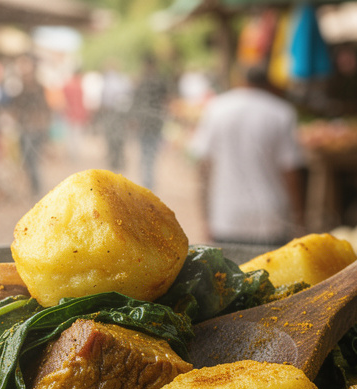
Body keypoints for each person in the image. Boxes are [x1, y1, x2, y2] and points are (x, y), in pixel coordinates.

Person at [188, 66, 306, 246]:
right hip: (270, 218)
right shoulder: (282, 111)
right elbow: (290, 171)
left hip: (226, 216)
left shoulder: (216, 108)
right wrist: (299, 218)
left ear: (240, 80)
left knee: (227, 274)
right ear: (268, 84)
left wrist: (204, 217)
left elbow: (203, 166)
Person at [9, 57, 51, 197]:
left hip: (33, 128)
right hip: (30, 127)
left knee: (31, 159)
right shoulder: (23, 87)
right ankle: (35, 186)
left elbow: (44, 108)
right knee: (31, 159)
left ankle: (36, 187)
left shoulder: (34, 88)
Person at [131, 54, 171, 191]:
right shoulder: (160, 81)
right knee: (152, 151)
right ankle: (149, 180)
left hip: (143, 121)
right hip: (156, 120)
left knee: (145, 151)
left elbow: (134, 102)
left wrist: (134, 120)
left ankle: (147, 179)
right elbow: (166, 100)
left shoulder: (140, 81)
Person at [98, 59, 133, 173]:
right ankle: (119, 158)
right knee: (120, 137)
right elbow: (129, 95)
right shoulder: (123, 80)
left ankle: (114, 159)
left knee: (111, 137)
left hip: (110, 113)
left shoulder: (107, 81)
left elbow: (103, 99)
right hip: (121, 113)